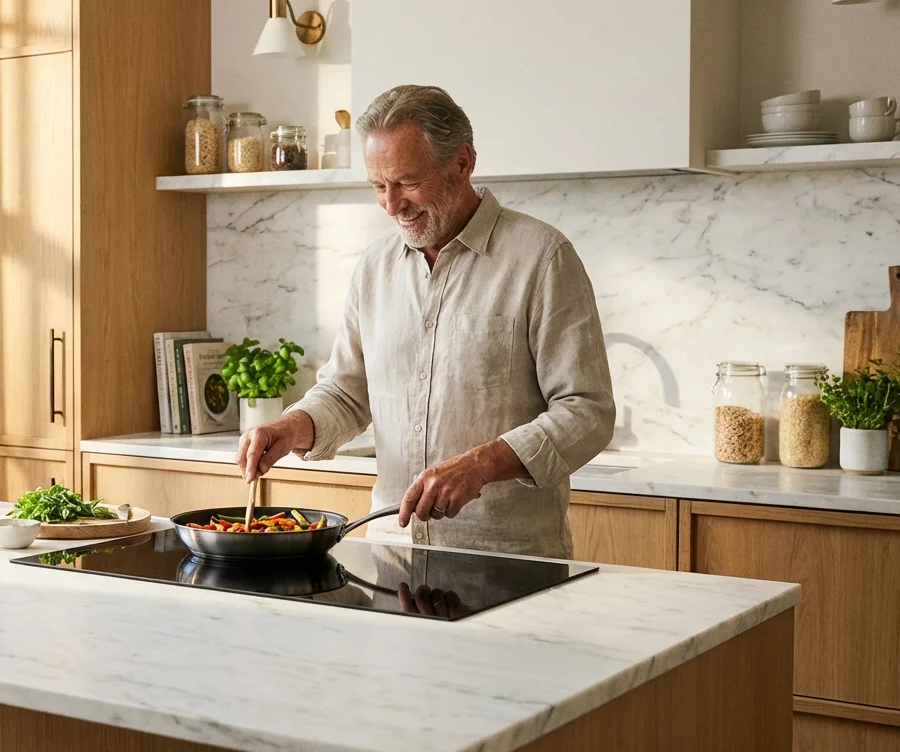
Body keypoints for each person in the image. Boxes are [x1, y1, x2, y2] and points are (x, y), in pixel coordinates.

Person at [235, 85, 615, 558]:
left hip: (506, 558)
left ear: (462, 162)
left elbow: (588, 412)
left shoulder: (541, 258)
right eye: (378, 186)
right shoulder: (375, 267)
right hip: (392, 554)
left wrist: (481, 464)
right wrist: (290, 428)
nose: (392, 205)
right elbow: (347, 392)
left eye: (408, 182)